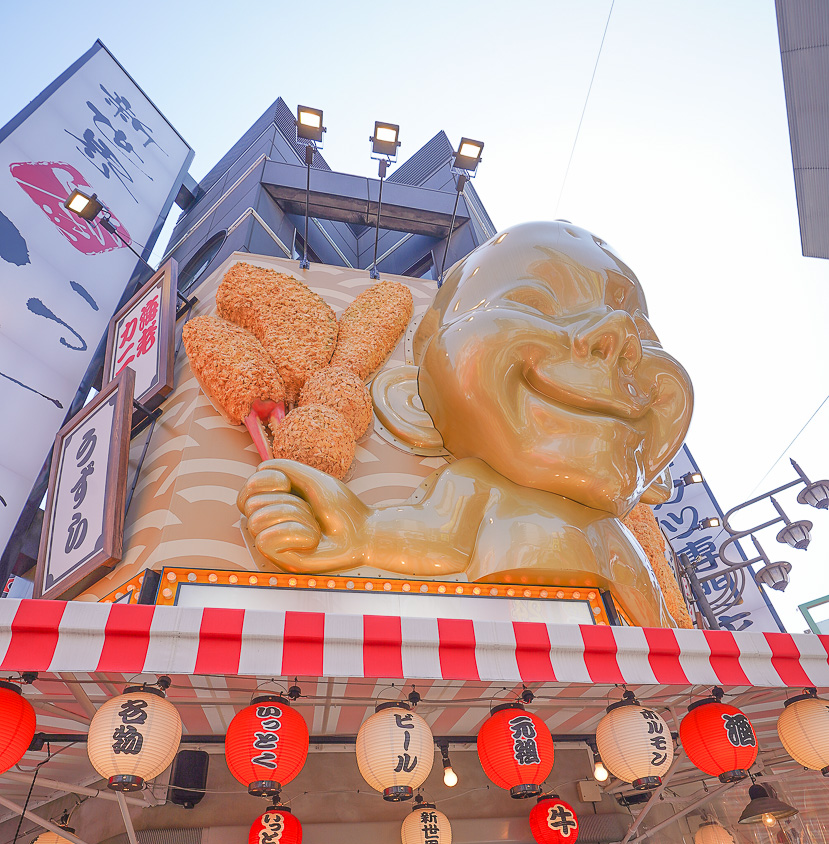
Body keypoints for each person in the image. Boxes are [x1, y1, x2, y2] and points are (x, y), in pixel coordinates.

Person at [238, 221, 693, 628]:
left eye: (642, 332)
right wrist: (355, 531)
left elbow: (659, 629)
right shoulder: (476, 486)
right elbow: (432, 537)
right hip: (504, 652)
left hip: (629, 685)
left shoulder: (621, 539)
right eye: (532, 303)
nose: (618, 336)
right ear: (416, 401)